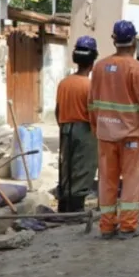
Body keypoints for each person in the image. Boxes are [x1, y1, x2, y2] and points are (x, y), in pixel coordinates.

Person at [88, 20, 139, 240]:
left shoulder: (99, 67)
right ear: (135, 41)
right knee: (132, 182)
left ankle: (106, 227)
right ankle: (128, 226)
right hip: (131, 138)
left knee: (107, 182)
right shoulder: (137, 69)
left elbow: (92, 103)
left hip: (105, 137)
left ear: (114, 40)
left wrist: (97, 129)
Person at [55, 36, 99, 213]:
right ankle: (75, 211)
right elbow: (94, 113)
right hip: (85, 130)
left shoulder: (64, 83)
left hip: (65, 128)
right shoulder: (90, 86)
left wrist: (63, 126)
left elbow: (58, 110)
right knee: (83, 169)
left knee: (66, 167)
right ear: (92, 61)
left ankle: (63, 208)